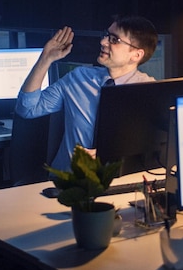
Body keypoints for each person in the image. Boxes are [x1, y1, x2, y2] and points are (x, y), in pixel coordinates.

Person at [15, 14, 158, 171]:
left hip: (117, 181)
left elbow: (151, 148)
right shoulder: (79, 77)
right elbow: (27, 109)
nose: (103, 42)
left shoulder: (148, 91)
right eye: (106, 35)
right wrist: (45, 60)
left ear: (136, 55)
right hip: (67, 181)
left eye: (114, 40)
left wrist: (107, 155)